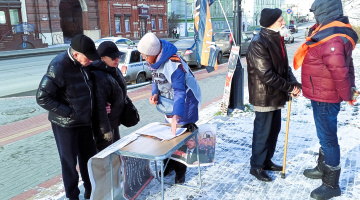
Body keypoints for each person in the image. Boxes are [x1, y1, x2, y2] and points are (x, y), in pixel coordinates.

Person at [293, 0, 358, 199]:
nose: (314, 17)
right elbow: (349, 64)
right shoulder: (332, 32)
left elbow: (340, 70)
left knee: (328, 139)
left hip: (325, 96)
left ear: (325, 12)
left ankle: (331, 184)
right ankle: (322, 167)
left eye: (316, 13)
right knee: (324, 136)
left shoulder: (332, 37)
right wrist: (351, 86)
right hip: (321, 92)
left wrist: (348, 93)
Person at [36, 34, 100, 200]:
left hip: (85, 121)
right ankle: (72, 196)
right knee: (69, 163)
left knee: (88, 160)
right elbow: (42, 97)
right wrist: (68, 112)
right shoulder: (58, 66)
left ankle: (90, 192)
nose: (91, 61)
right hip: (66, 125)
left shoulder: (84, 63)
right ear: (76, 54)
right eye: (88, 58)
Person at [137, 32, 201, 184]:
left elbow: (180, 91)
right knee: (170, 136)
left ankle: (180, 171)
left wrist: (176, 117)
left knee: (180, 137)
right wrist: (155, 94)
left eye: (145, 55)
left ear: (153, 53)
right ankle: (170, 163)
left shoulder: (174, 64)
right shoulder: (154, 60)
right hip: (170, 101)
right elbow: (156, 79)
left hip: (186, 101)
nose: (144, 59)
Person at [246, 8, 301, 182]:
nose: (284, 22)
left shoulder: (276, 38)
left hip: (276, 94)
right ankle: (256, 166)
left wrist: (294, 83)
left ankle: (266, 161)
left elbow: (285, 67)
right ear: (271, 22)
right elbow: (266, 75)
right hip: (264, 97)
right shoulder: (258, 42)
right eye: (280, 20)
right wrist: (289, 88)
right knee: (263, 132)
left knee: (273, 130)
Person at [90, 41, 128, 151]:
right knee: (106, 153)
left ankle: (115, 168)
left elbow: (121, 90)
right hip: (105, 124)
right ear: (102, 58)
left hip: (113, 120)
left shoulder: (114, 69)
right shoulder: (98, 75)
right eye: (113, 58)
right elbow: (100, 105)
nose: (117, 60)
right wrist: (105, 130)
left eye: (118, 57)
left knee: (115, 150)